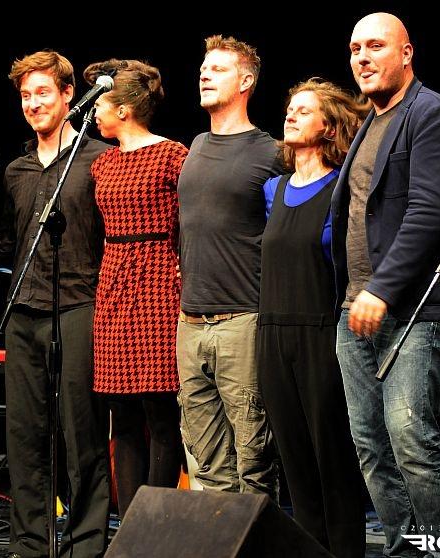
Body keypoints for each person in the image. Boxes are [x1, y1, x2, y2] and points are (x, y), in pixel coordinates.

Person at [331, 13, 440, 557]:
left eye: (375, 46)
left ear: (406, 53)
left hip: (411, 311)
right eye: (355, 48)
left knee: (412, 440)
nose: (362, 58)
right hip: (355, 311)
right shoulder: (370, 122)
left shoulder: (432, 113)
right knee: (372, 448)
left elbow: (430, 212)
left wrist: (382, 289)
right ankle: (403, 549)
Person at [0, 50, 110, 558]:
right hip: (24, 310)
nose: (33, 103)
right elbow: (4, 241)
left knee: (81, 433)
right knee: (24, 435)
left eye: (43, 93)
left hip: (80, 306)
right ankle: (30, 544)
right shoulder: (16, 169)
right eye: (25, 95)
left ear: (67, 95)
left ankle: (86, 544)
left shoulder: (99, 159)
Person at [258, 79, 368, 558]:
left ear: (328, 127)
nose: (291, 115)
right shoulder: (273, 189)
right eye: (290, 108)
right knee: (295, 464)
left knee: (333, 462)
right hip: (271, 335)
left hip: (321, 333)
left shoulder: (341, 188)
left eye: (304, 110)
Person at [176, 35, 283, 497]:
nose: (205, 74)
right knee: (206, 463)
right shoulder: (197, 144)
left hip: (242, 320)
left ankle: (260, 535)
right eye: (203, 68)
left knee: (253, 460)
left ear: (245, 81)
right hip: (190, 322)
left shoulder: (271, 151)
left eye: (218, 69)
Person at [83, 59, 187, 518]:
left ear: (123, 109)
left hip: (159, 280)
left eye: (100, 105)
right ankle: (129, 528)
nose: (94, 113)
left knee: (160, 411)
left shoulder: (172, 155)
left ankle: (157, 525)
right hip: (113, 282)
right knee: (121, 413)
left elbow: (191, 222)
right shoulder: (102, 163)